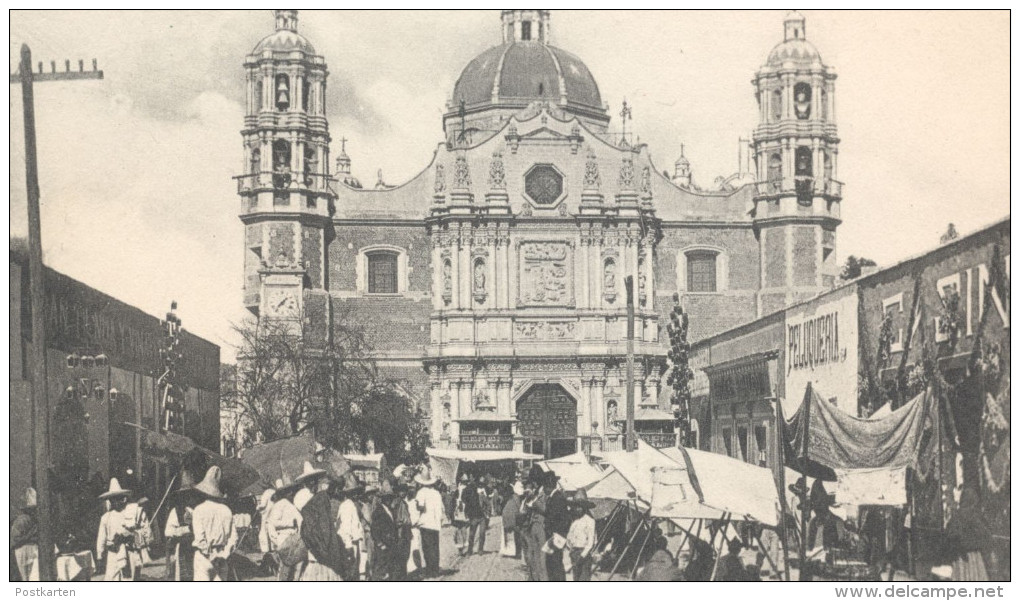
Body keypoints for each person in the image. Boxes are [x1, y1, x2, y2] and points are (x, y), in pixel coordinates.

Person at [295, 462, 348, 581]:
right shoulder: (306, 497)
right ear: (305, 483)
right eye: (309, 481)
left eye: (314, 480)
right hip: (316, 553)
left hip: (319, 552)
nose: (312, 483)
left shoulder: (320, 498)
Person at [191, 466, 237, 582]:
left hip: (204, 558)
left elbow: (200, 539)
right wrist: (225, 554)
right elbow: (233, 537)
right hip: (222, 557)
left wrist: (210, 555)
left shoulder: (199, 510)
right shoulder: (227, 510)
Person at [96, 478, 136, 581]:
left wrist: (129, 535)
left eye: (119, 498)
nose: (116, 501)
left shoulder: (128, 514)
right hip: (113, 552)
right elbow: (102, 537)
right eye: (113, 499)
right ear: (110, 501)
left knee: (128, 578)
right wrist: (100, 554)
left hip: (127, 551)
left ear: (123, 499)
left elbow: (135, 531)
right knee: (112, 577)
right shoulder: (106, 517)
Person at [414, 467, 444, 578]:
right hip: (435, 524)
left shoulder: (421, 492)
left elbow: (421, 507)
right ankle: (435, 569)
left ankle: (430, 570)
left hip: (425, 523)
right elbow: (440, 509)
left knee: (427, 548)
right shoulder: (437, 493)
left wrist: (417, 504)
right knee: (435, 547)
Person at [336, 473, 365, 580]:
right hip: (350, 543)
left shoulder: (349, 504)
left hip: (353, 542)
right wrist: (348, 546)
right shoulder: (348, 505)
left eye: (357, 493)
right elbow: (346, 528)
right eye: (354, 493)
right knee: (351, 572)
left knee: (354, 571)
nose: (356, 495)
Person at [543, 471, 570, 581]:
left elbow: (557, 518)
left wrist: (553, 532)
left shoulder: (557, 498)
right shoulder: (554, 496)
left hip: (556, 536)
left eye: (544, 486)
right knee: (553, 563)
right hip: (554, 536)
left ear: (548, 485)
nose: (543, 489)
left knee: (555, 564)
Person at [565, 489, 597, 581]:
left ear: (585, 507)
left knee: (583, 578)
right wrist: (570, 548)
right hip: (574, 552)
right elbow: (570, 536)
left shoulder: (590, 521)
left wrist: (582, 556)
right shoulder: (574, 520)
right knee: (576, 578)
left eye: (580, 507)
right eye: (576, 506)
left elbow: (591, 542)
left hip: (583, 554)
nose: (578, 509)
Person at [371, 479, 398, 581]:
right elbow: (374, 529)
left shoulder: (390, 510)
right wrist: (379, 543)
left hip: (390, 544)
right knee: (380, 568)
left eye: (390, 498)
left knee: (388, 568)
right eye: (387, 498)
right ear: (382, 499)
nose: (389, 500)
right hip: (383, 545)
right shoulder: (379, 511)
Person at [523, 475, 549, 581]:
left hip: (541, 526)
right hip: (533, 526)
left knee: (541, 559)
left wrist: (534, 499)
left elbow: (544, 509)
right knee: (533, 556)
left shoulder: (544, 494)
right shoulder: (537, 493)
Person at [11, 488, 39, 581]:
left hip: (32, 551)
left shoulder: (35, 520)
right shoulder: (22, 520)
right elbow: (14, 540)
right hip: (24, 552)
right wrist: (31, 535)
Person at [501, 481, 524, 558]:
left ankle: (513, 552)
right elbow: (518, 509)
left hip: (508, 517)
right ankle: (517, 553)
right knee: (517, 535)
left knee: (510, 535)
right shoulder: (517, 498)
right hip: (512, 518)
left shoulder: (512, 497)